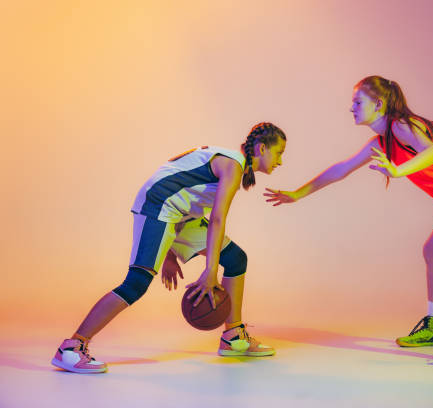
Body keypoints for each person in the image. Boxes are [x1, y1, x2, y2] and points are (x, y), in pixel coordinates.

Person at [265, 76, 433, 365]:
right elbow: (341, 170)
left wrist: (397, 171)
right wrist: (298, 194)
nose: (352, 108)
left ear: (379, 104)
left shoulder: (402, 125)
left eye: (358, 102)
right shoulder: (381, 143)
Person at [52, 122, 286, 373]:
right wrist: (209, 272)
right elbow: (217, 218)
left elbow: (181, 187)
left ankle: (234, 337)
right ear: (262, 148)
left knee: (236, 259)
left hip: (179, 213)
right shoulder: (233, 166)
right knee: (136, 283)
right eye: (279, 153)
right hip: (159, 207)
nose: (280, 161)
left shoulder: (233, 163)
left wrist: (171, 253)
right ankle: (72, 347)